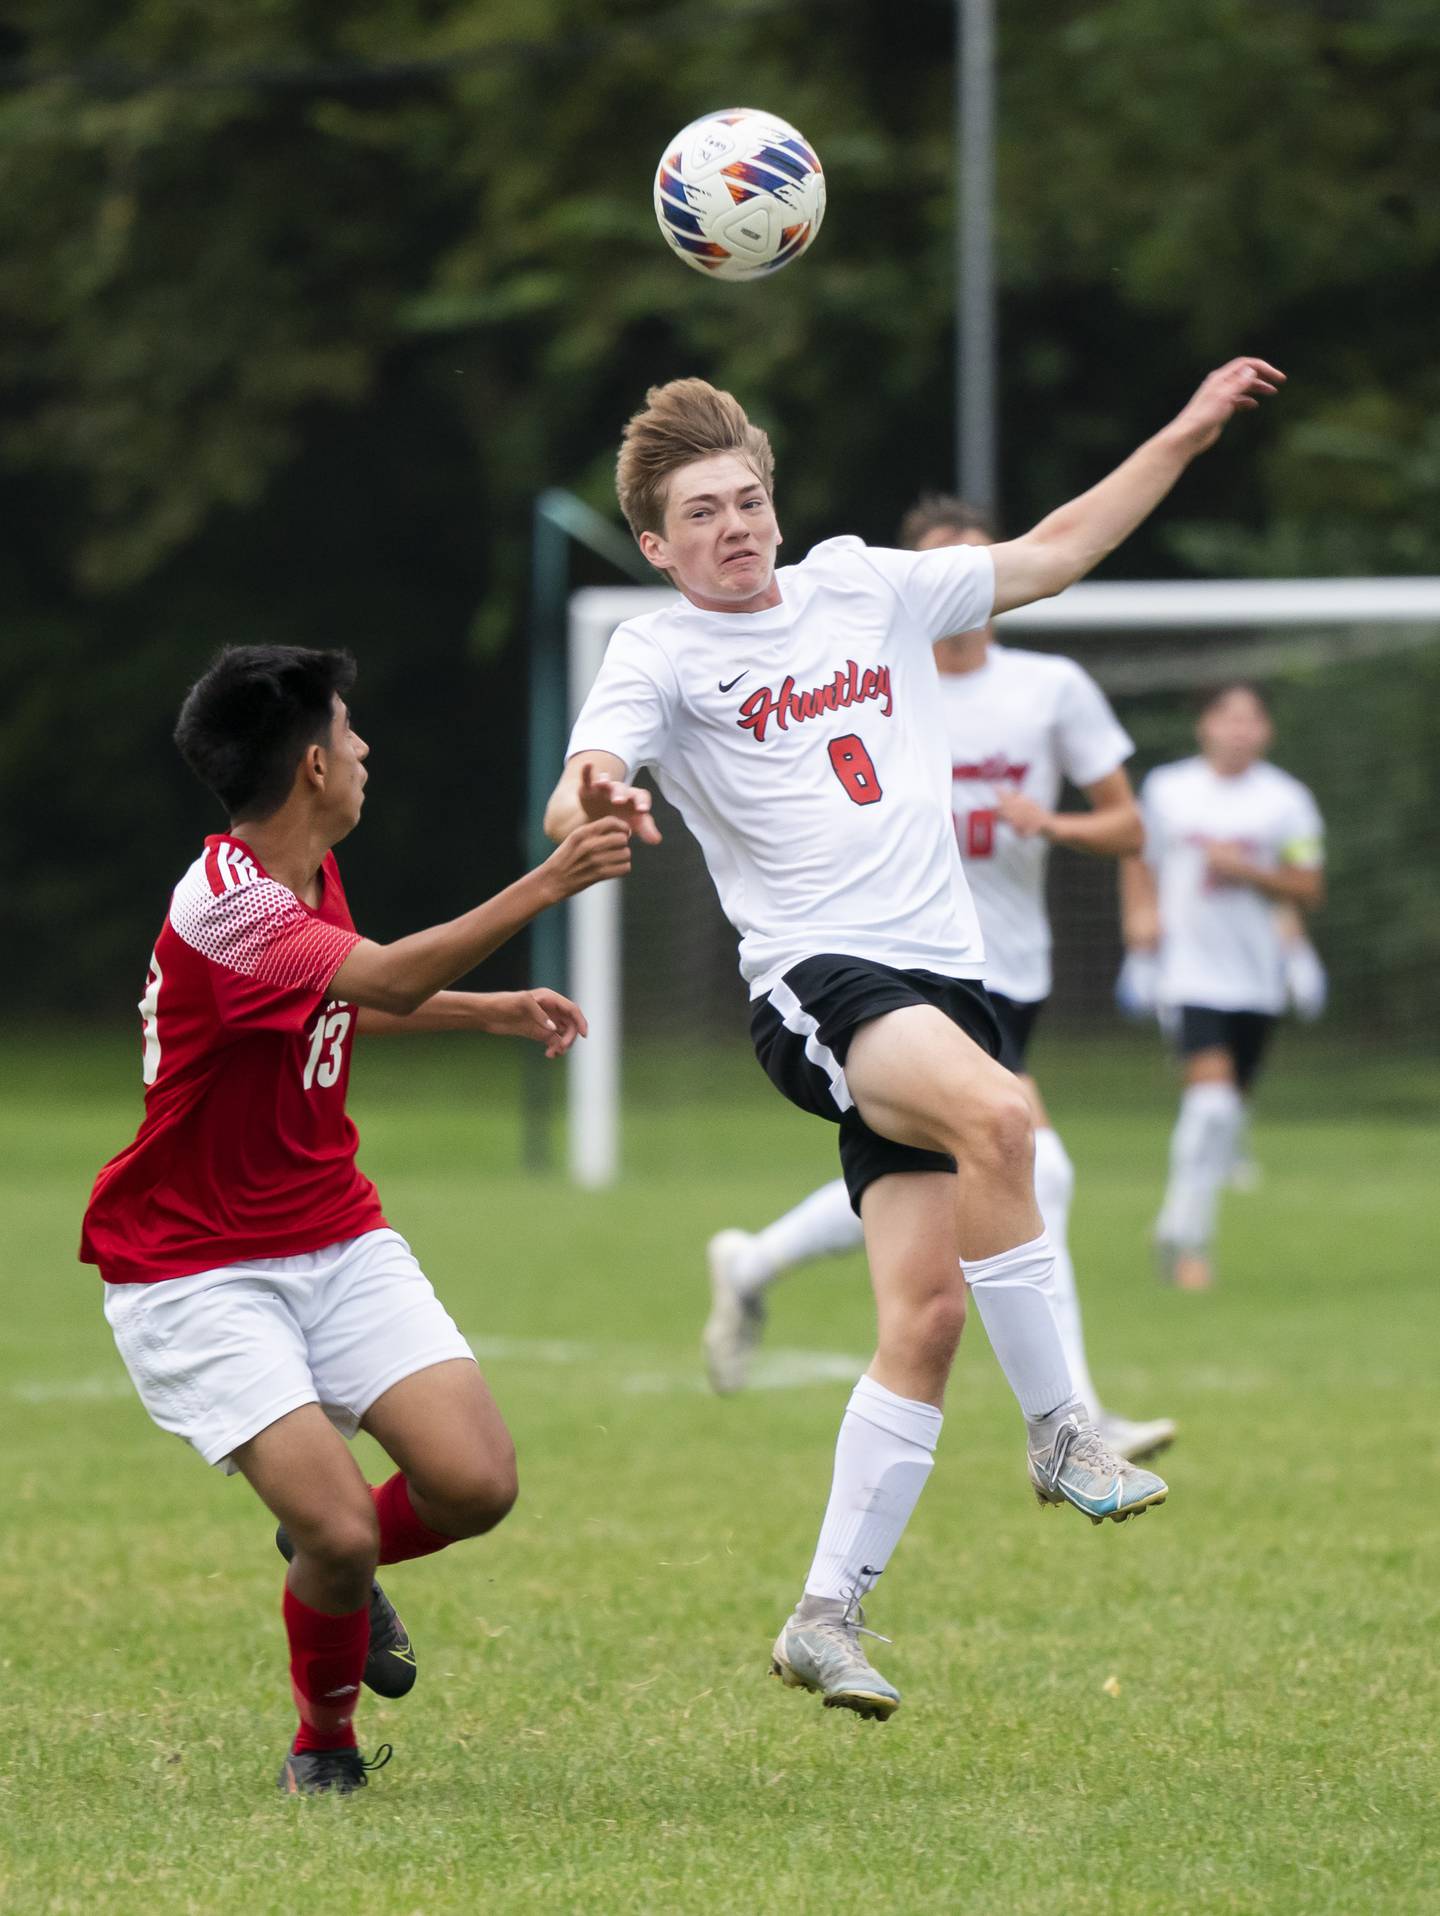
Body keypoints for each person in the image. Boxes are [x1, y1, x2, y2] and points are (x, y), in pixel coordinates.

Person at [545, 360, 1283, 1720]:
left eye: (749, 497)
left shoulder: (863, 584)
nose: (735, 525)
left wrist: (1178, 433)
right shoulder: (656, 650)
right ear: (656, 544)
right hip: (821, 984)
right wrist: (596, 795)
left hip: (950, 982)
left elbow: (1054, 553)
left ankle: (825, 1616)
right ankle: (1065, 1431)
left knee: (927, 1319)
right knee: (1006, 1119)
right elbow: (589, 772)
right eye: (701, 513)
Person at [81, 645, 630, 1796]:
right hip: (196, 1265)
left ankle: (335, 1549)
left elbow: (338, 1001)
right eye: (354, 733)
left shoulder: (307, 872)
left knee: (476, 1481)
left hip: (331, 1228)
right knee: (342, 1529)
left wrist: (486, 1011)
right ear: (316, 762)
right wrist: (550, 881)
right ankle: (322, 1746)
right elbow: (370, 981)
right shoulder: (225, 904)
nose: (370, 751)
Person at [702, 493, 1176, 1467]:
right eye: (937, 564)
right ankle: (1075, 1418)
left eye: (975, 562)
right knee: (1028, 1154)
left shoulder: (1050, 688)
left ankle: (755, 1258)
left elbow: (1130, 828)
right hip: (890, 969)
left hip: (1007, 973)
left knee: (952, 1166)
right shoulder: (867, 677)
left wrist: (1059, 828)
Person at [1120, 681, 1324, 1290]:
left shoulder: (1287, 801)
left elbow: (1307, 886)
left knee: (1227, 1114)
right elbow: (1140, 860)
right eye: (1226, 717)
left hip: (1256, 979)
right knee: (1209, 1107)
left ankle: (1179, 1226)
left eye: (1251, 719)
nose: (1238, 729)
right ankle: (1188, 1240)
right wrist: (1140, 929)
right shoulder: (1169, 790)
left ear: (1266, 731)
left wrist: (1252, 873)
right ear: (1204, 726)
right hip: (1188, 972)